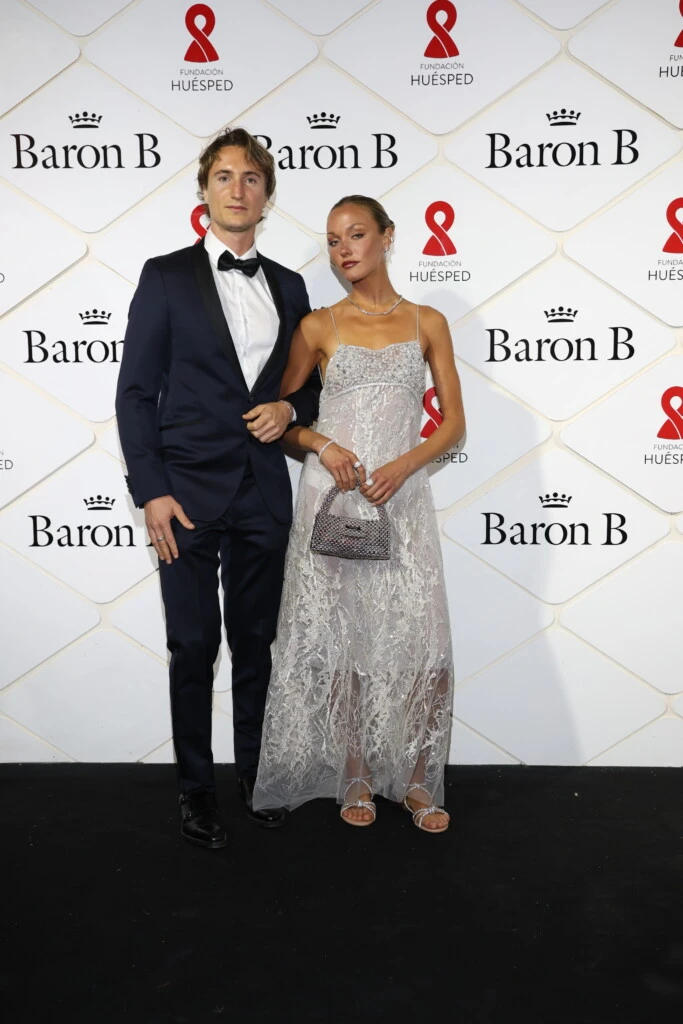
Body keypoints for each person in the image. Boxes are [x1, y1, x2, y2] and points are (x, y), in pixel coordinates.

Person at [115, 128, 321, 849]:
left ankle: (257, 777)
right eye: (225, 176)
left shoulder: (291, 287)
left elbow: (311, 388)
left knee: (258, 644)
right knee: (194, 644)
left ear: (267, 195)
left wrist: (289, 409)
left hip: (263, 491)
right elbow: (135, 392)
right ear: (204, 191)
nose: (238, 189)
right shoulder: (165, 276)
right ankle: (196, 790)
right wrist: (151, 491)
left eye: (251, 178)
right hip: (184, 495)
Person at [252, 195, 465, 833]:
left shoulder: (429, 321)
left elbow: (453, 425)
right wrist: (323, 445)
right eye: (333, 239)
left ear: (387, 237)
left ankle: (420, 779)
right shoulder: (318, 326)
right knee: (345, 641)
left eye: (356, 235)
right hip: (333, 500)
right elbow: (282, 421)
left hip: (403, 502)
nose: (344, 249)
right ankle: (354, 774)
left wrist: (404, 466)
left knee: (424, 640)